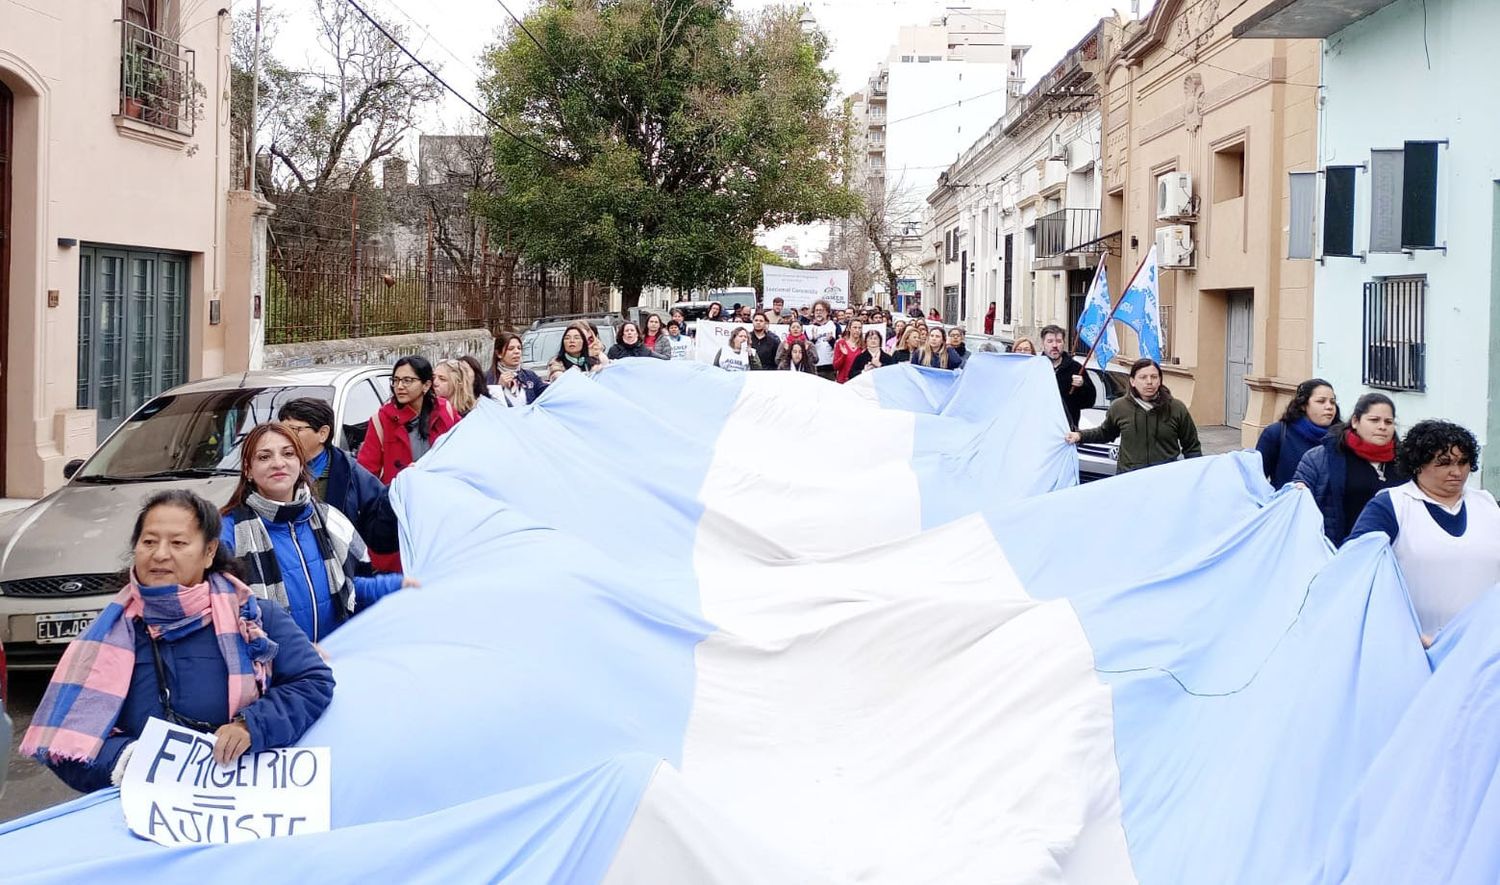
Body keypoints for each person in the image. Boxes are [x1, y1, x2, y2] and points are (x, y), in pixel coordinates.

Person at [19, 490, 334, 793]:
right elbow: (65, 744)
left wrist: (252, 726)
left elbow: (312, 681)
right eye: (149, 542)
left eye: (178, 543)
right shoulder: (106, 637)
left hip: (237, 804)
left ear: (209, 552)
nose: (160, 554)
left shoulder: (256, 618)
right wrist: (126, 760)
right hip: (142, 816)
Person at [222, 423, 411, 643]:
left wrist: (399, 585)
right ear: (248, 469)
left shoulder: (331, 520)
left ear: (301, 463)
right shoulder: (228, 533)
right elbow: (226, 615)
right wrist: (295, 653)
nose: (278, 463)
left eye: (288, 454)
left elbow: (348, 589)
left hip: (335, 664)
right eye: (264, 457)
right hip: (274, 672)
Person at [1349, 420, 1500, 644]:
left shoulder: (1487, 505)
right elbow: (1355, 567)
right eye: (1444, 463)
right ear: (1418, 464)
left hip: (1485, 648)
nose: (1456, 472)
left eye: (1463, 462)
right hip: (1414, 646)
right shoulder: (1392, 505)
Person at [278, 397, 398, 557]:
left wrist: (398, 490)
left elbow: (380, 535)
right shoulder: (274, 471)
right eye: (282, 430)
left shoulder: (351, 473)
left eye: (295, 430)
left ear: (323, 433)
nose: (285, 437)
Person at [1292, 392, 1401, 546]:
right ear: (1355, 421)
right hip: (1336, 552)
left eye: (1388, 422)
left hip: (1390, 554)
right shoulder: (1321, 458)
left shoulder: (1404, 462)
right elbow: (1298, 506)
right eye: (1374, 420)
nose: (1382, 427)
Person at [1066, 358, 1201, 474]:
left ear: (1160, 380)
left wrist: (1196, 474)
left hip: (1164, 479)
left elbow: (1192, 446)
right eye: (1143, 377)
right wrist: (1080, 436)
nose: (1149, 382)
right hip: (1129, 479)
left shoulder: (1176, 408)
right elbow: (1105, 433)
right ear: (1132, 381)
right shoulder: (1120, 407)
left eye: (1154, 377)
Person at [357, 355, 460, 485]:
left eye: (407, 380)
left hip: (442, 495)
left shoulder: (445, 410)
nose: (399, 386)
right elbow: (365, 475)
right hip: (399, 500)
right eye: (396, 380)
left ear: (426, 385)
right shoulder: (382, 420)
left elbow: (462, 454)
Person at [1256, 378, 1340, 487]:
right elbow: (1256, 480)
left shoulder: (1341, 437)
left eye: (1332, 402)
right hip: (1288, 502)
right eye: (1321, 401)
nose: (1329, 407)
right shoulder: (1276, 433)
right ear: (1303, 405)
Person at [1040, 325, 1096, 432]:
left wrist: (1083, 386)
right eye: (1050, 341)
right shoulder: (1036, 367)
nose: (1055, 345)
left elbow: (1089, 402)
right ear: (1043, 343)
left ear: (1064, 343)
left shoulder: (1076, 368)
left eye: (1058, 341)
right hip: (1041, 429)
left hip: (1067, 431)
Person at [487, 331, 547, 407]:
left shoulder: (530, 376)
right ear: (499, 353)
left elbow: (548, 394)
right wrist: (498, 388)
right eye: (511, 349)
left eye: (519, 348)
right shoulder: (486, 378)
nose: (517, 352)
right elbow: (485, 407)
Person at [807, 300, 839, 380]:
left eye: (821, 310)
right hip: (814, 368)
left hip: (830, 368)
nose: (818, 313)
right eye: (816, 310)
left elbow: (840, 347)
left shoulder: (834, 326)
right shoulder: (808, 328)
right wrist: (813, 340)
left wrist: (831, 341)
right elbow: (806, 349)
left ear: (827, 312)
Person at [832, 317, 865, 383]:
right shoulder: (841, 343)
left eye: (859, 328)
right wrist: (843, 355)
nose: (857, 330)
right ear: (849, 328)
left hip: (859, 381)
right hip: (843, 381)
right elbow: (835, 366)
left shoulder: (864, 345)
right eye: (855, 327)